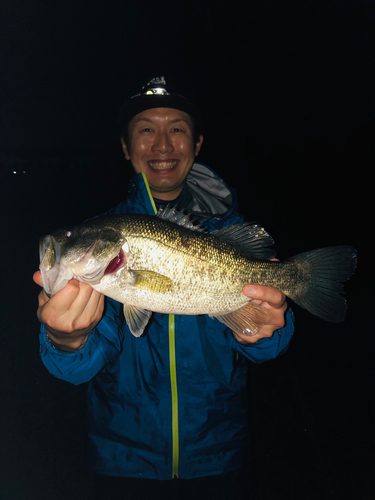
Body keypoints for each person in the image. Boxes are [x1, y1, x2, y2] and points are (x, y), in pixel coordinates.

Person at [33, 76, 294, 500]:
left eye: (176, 129)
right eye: (145, 130)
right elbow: (75, 369)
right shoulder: (107, 236)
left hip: (221, 454)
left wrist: (266, 330)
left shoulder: (228, 232)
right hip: (124, 461)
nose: (162, 145)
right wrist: (67, 339)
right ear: (125, 146)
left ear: (197, 143)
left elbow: (268, 345)